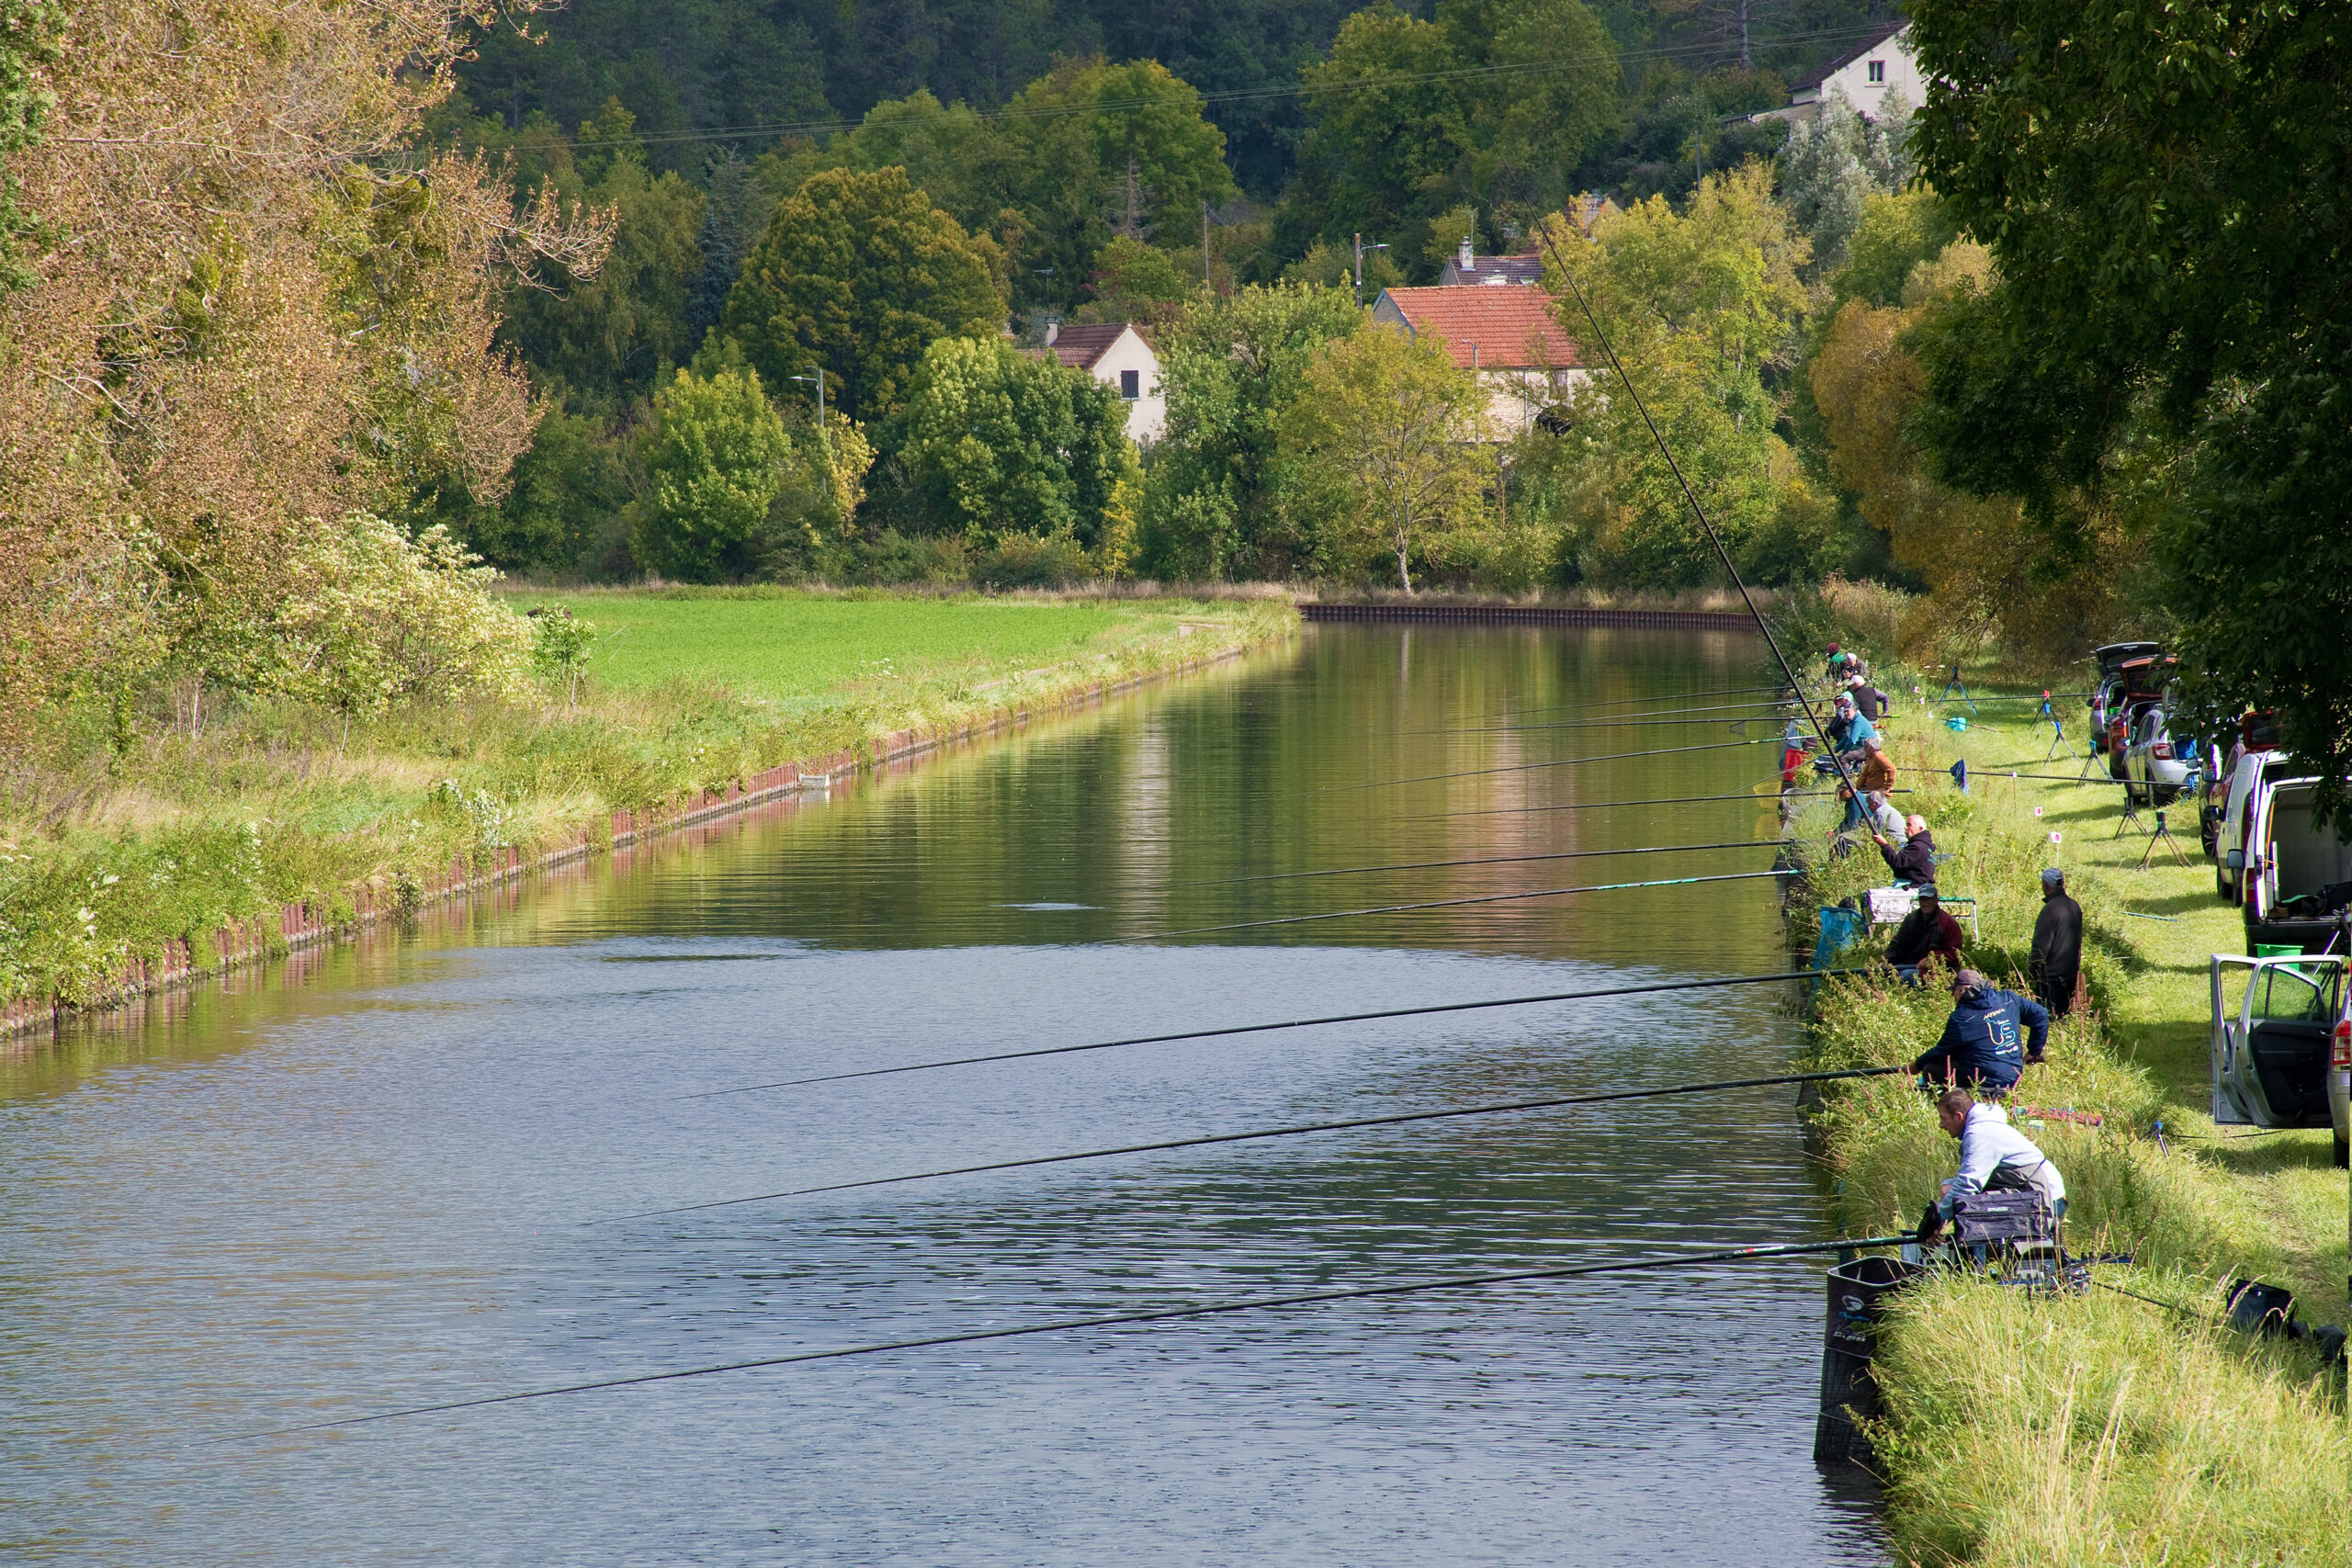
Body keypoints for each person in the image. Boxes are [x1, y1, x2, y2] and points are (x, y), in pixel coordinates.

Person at [1915, 1088, 2067, 1246]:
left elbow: (1968, 1184)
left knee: (1975, 1216)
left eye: (1943, 1118)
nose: (1941, 1125)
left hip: (2046, 1197)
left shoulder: (1980, 1134)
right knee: (1952, 1190)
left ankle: (1973, 1265)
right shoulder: (1981, 1128)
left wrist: (1939, 1218)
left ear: (1958, 1116)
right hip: (2029, 1188)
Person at [1912, 968, 2048, 1091]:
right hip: (2013, 1076)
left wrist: (1916, 1065)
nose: (1953, 997)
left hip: (1984, 1080)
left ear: (1961, 990)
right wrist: (2034, 1051)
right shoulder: (2008, 999)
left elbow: (1942, 1052)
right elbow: (2041, 1014)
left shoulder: (1962, 1017)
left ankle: (1954, 1107)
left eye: (1953, 992)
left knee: (1931, 1069)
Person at [2030, 867, 2084, 1019]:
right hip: (2070, 974)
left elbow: (2040, 948)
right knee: (2063, 1020)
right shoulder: (2074, 906)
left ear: (2046, 885)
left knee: (2047, 1021)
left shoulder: (2050, 910)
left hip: (2051, 979)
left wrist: (2033, 972)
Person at [1884, 884, 1965, 979]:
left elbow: (1955, 954)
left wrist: (1931, 960)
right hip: (1907, 964)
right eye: (1922, 899)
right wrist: (1885, 960)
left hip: (1933, 970)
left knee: (1906, 976)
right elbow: (1898, 944)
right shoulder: (1911, 919)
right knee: (1878, 973)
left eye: (1928, 899)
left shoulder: (1948, 923)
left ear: (1936, 900)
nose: (1925, 903)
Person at [1874, 813, 1938, 886]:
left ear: (1920, 828)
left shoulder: (1918, 847)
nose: (1905, 827)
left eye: (1909, 824)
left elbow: (1897, 863)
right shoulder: (1923, 845)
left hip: (1913, 887)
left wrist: (1884, 845)